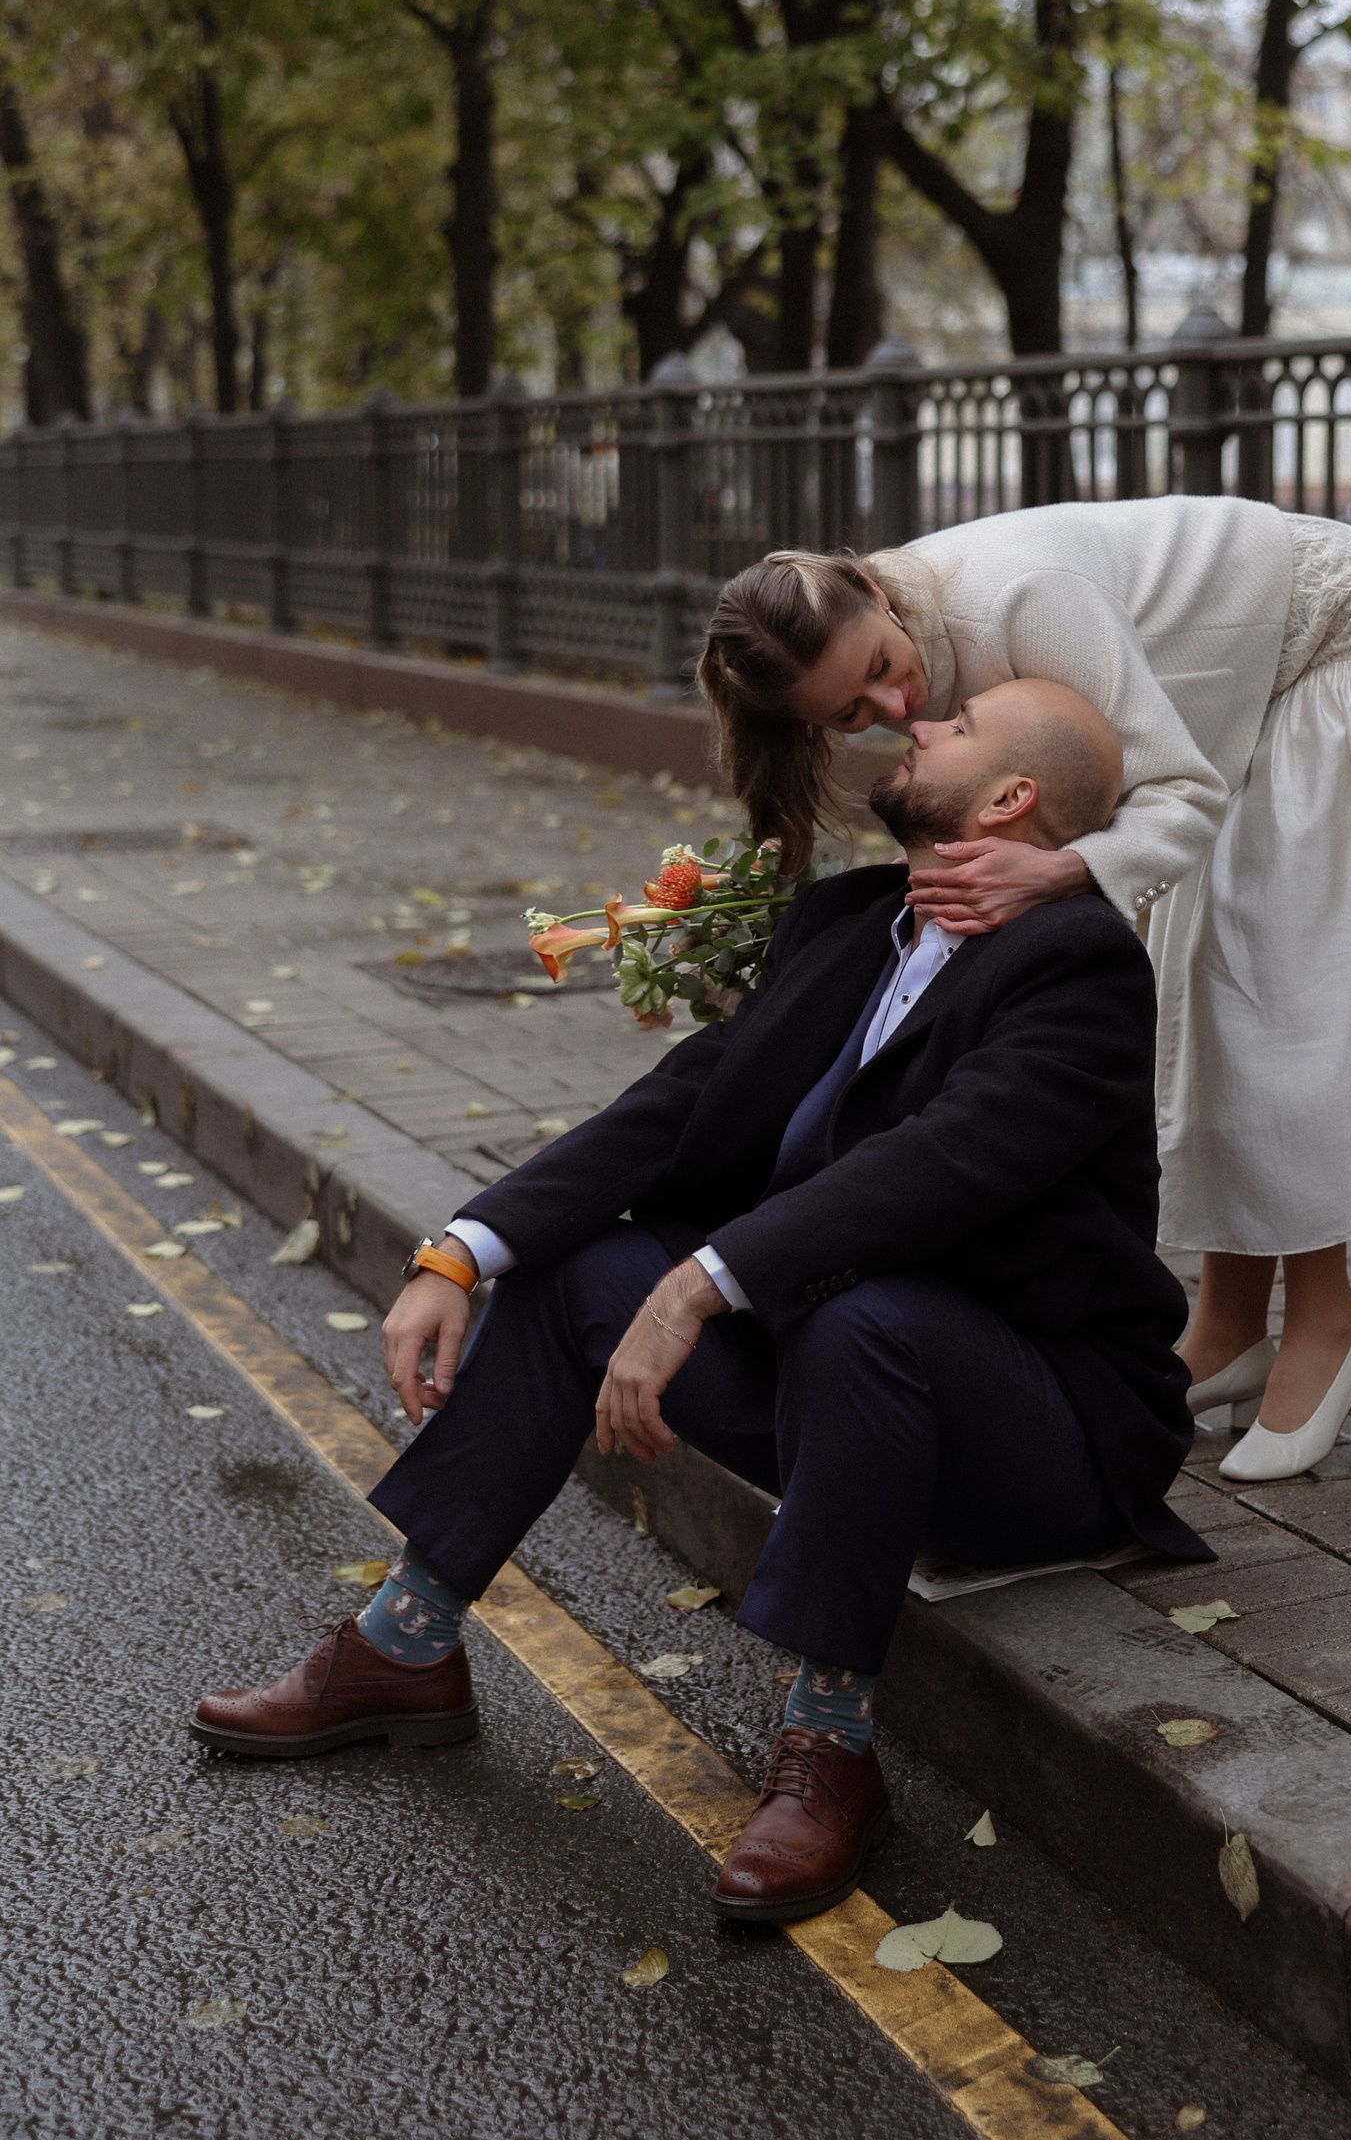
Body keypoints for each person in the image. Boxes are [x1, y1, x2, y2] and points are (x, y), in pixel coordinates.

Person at [191, 679, 1209, 1924]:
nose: (917, 726)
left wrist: (700, 1283)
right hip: (841, 1377)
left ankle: (830, 1744)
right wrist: (460, 1252)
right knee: (577, 1271)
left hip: (1037, 1429)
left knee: (866, 1315)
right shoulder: (852, 921)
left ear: (1009, 799)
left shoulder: (1080, 966)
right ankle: (404, 1645)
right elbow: (684, 1100)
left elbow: (940, 1168)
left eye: (954, 729)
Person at [698, 497, 1351, 1482]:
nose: (895, 707)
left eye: (883, 667)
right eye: (851, 715)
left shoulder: (1024, 596)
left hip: (1344, 638)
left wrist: (1061, 871)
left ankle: (1330, 1325)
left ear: (875, 592)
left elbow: (1177, 789)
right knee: (1211, 996)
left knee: (1286, 990)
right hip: (1239, 690)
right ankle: (1229, 1326)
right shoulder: (893, 637)